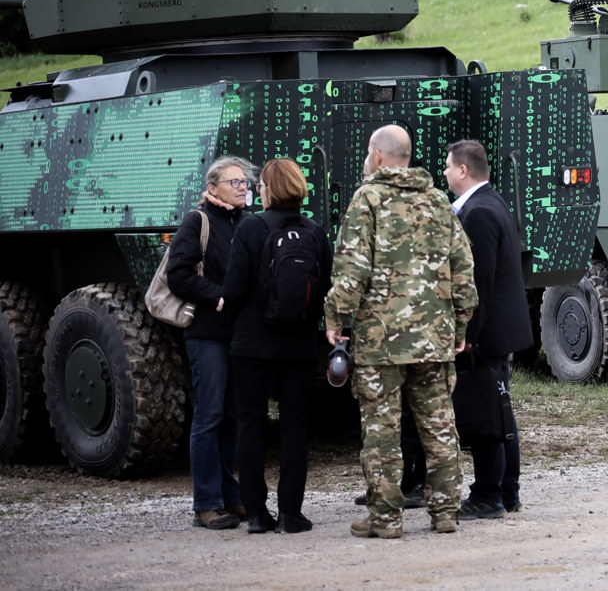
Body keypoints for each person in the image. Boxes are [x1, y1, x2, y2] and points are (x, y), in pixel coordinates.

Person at [325, 124, 478, 539]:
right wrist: (460, 324)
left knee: (382, 433)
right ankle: (446, 512)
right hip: (435, 339)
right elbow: (464, 270)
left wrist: (336, 320)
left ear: (377, 155)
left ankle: (386, 519)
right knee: (440, 428)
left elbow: (352, 272)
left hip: (380, 344)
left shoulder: (367, 200)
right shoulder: (438, 201)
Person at [223, 158, 334, 534]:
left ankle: (255, 513)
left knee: (251, 425)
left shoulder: (251, 227)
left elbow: (234, 288)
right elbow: (324, 288)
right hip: (299, 344)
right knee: (295, 428)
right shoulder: (316, 232)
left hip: (252, 343)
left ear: (268, 190)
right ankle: (291, 513)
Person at [445, 140, 535, 519]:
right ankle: (506, 490)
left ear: (464, 170)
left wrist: (466, 335)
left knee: (486, 416)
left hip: (486, 333)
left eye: (448, 166)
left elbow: (476, 284)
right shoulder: (493, 202)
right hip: (500, 329)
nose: (445, 172)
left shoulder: (478, 213)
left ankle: (487, 495)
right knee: (500, 414)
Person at [166, 155, 254, 530]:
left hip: (240, 335)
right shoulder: (197, 221)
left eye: (245, 182)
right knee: (209, 416)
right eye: (234, 182)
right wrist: (218, 296)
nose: (242, 187)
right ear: (212, 187)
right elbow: (178, 275)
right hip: (207, 335)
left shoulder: (248, 223)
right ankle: (206, 502)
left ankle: (230, 496)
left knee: (233, 417)